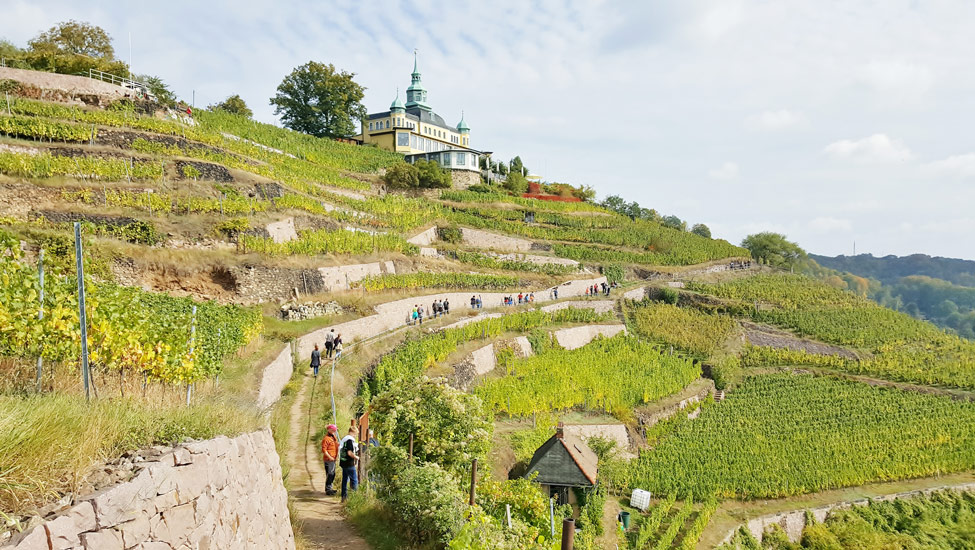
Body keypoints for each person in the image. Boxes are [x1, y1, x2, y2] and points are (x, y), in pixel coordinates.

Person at [339, 427, 359, 501]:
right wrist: (356, 457)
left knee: (345, 480)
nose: (355, 436)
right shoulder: (350, 441)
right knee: (354, 480)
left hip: (343, 462)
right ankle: (355, 498)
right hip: (349, 463)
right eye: (355, 434)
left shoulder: (344, 439)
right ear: (352, 432)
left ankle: (344, 497)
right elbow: (349, 452)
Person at [321, 424, 340, 495]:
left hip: (333, 459)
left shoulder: (333, 437)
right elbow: (324, 450)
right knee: (330, 473)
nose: (335, 431)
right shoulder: (326, 439)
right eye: (333, 430)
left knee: (332, 473)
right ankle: (328, 489)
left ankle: (330, 487)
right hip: (329, 460)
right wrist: (329, 457)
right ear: (329, 430)